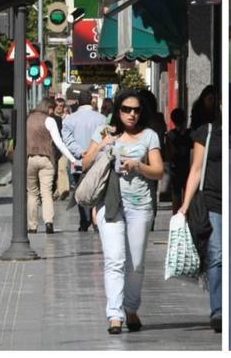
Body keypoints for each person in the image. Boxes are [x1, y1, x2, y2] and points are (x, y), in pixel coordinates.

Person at [83, 90, 164, 335]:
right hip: (111, 203)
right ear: (118, 111)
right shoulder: (105, 133)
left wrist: (138, 165)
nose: (131, 114)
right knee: (114, 259)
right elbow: (84, 164)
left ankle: (131, 308)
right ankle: (115, 314)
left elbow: (159, 171)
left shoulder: (149, 136)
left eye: (136, 110)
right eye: (126, 109)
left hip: (140, 205)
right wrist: (103, 147)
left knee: (136, 263)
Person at [177, 108, 222, 333]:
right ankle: (218, 310)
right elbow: (195, 170)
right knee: (216, 255)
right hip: (212, 201)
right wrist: (184, 206)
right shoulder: (207, 132)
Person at [25, 99, 77, 234]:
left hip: (30, 159)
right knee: (46, 193)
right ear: (48, 108)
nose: (52, 112)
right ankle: (48, 222)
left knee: (32, 193)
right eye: (52, 109)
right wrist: (72, 158)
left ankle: (32, 226)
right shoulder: (49, 121)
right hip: (46, 160)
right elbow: (59, 142)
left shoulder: (28, 119)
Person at [62, 90, 109, 231]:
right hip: (97, 160)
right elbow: (105, 138)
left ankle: (84, 220)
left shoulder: (70, 119)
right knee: (97, 188)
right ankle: (95, 219)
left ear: (78, 102)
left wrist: (81, 151)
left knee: (80, 190)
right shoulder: (101, 119)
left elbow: (67, 139)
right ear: (91, 102)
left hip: (79, 161)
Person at [164, 108, 192, 214]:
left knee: (176, 195)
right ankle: (187, 216)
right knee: (188, 193)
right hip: (188, 167)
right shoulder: (190, 134)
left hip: (175, 168)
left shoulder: (170, 135)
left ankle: (176, 217)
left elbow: (168, 154)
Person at [52, 96, 71, 201]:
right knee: (54, 170)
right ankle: (56, 191)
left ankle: (63, 190)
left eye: (61, 106)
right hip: (53, 147)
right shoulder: (51, 118)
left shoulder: (68, 118)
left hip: (64, 147)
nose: (59, 108)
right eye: (57, 106)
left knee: (62, 168)